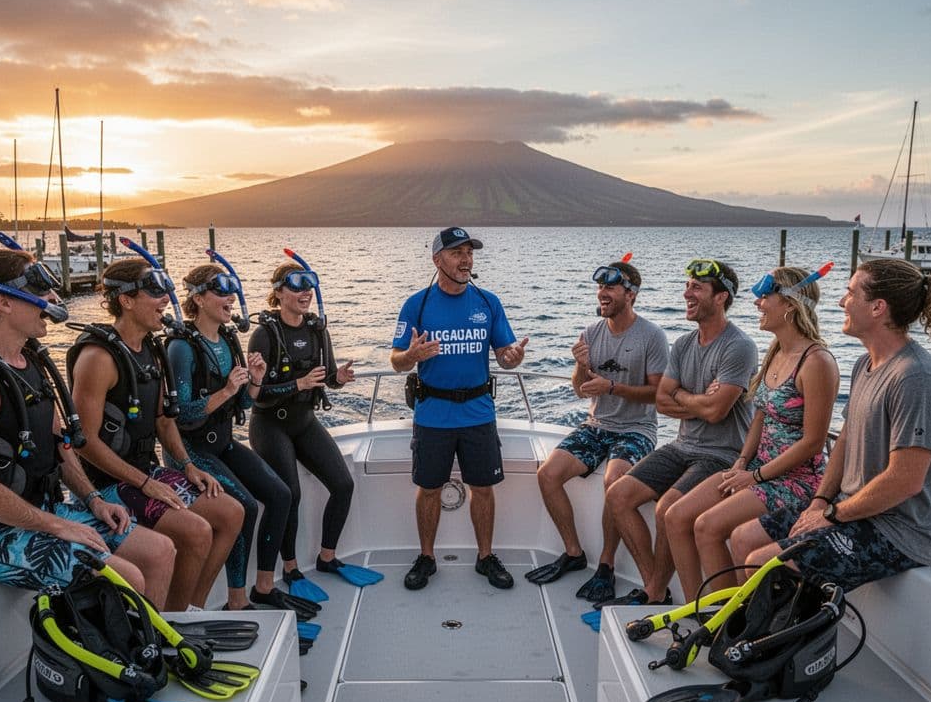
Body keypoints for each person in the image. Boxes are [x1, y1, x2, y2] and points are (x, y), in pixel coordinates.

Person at [0, 249, 174, 604]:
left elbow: (61, 445)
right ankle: (122, 655)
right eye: (41, 291)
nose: (54, 299)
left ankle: (152, 648)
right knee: (126, 576)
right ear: (4, 302)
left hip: (44, 511)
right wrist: (59, 526)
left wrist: (93, 499)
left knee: (160, 552)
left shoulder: (30, 363)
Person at [731, 258, 931, 592]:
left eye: (850, 294)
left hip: (896, 531)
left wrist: (833, 516)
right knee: (742, 537)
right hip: (851, 510)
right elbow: (845, 442)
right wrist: (820, 501)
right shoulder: (865, 364)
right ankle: (748, 629)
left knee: (761, 564)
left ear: (878, 308)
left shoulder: (915, 377)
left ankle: (775, 640)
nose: (840, 302)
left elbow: (906, 480)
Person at [68, 258, 244, 612]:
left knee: (231, 512)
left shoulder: (154, 349)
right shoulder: (98, 358)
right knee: (196, 531)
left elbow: (165, 422)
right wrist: (146, 484)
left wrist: (187, 466)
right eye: (154, 292)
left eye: (165, 291)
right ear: (126, 300)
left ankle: (190, 612)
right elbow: (82, 441)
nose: (165, 299)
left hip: (145, 472)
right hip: (109, 484)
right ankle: (171, 623)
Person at [661, 265, 839, 602]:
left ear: (789, 304)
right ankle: (700, 610)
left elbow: (813, 442)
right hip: (757, 468)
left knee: (706, 526)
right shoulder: (776, 352)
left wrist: (755, 476)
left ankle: (731, 619)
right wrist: (742, 463)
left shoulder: (817, 362)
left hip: (795, 479)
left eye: (765, 297)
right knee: (676, 516)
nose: (757, 303)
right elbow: (759, 415)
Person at [603, 259, 758, 606]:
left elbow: (718, 414)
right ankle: (654, 587)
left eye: (697, 288)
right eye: (687, 285)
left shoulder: (739, 346)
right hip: (682, 444)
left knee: (667, 508)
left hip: (721, 454)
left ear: (721, 298)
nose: (687, 293)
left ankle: (669, 597)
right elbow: (661, 401)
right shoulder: (684, 344)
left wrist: (685, 397)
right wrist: (700, 399)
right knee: (618, 495)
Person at [390, 227, 528, 591]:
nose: (465, 259)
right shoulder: (416, 304)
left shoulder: (487, 303)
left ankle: (485, 557)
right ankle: (426, 557)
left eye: (469, 252)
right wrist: (412, 355)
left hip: (478, 413)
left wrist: (512, 358)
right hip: (432, 414)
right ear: (437, 260)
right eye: (456, 252)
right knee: (429, 487)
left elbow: (505, 355)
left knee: (483, 488)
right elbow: (395, 361)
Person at [525, 258, 666, 601]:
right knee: (547, 474)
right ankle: (574, 553)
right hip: (596, 424)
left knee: (613, 481)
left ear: (630, 294)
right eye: (600, 288)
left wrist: (613, 388)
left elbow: (659, 394)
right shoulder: (591, 333)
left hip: (636, 429)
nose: (602, 293)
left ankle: (606, 564)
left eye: (610, 288)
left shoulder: (652, 336)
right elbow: (580, 389)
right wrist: (580, 366)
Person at [166, 262, 293, 610]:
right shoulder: (181, 348)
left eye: (232, 291)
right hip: (191, 452)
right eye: (221, 291)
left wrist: (254, 379)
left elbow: (242, 404)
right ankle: (236, 600)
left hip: (221, 444)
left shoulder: (226, 339)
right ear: (199, 299)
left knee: (281, 495)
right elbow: (183, 415)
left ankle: (263, 587)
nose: (231, 297)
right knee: (246, 507)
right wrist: (225, 390)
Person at [248, 257, 372, 606]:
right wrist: (297, 383)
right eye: (296, 286)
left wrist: (339, 379)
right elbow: (254, 395)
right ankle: (289, 569)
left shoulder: (318, 330)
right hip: (270, 424)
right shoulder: (265, 334)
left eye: (309, 286)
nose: (305, 293)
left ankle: (327, 557)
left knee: (344, 484)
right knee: (291, 495)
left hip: (304, 421)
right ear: (278, 293)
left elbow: (327, 376)